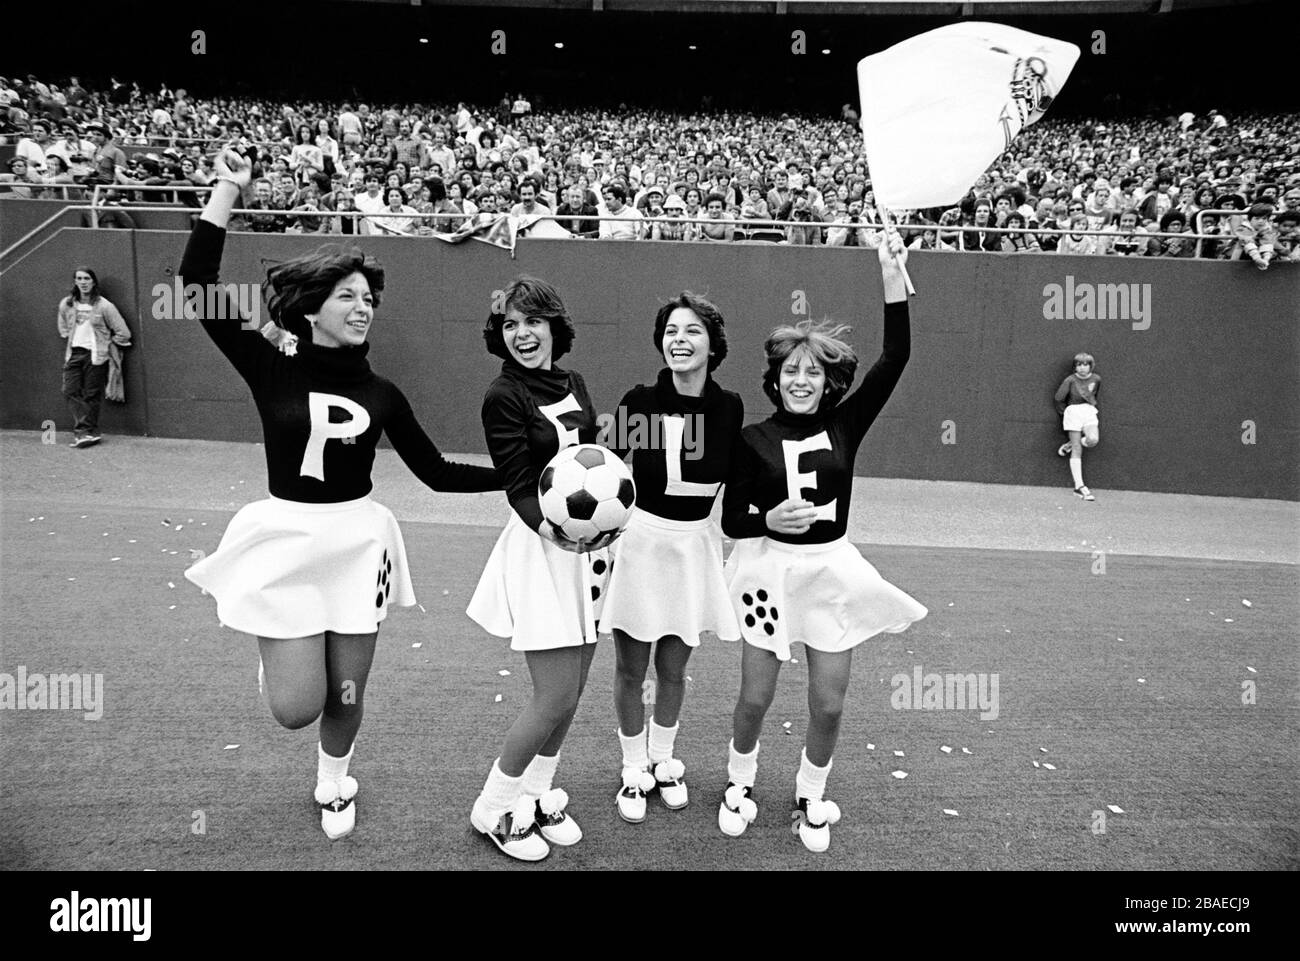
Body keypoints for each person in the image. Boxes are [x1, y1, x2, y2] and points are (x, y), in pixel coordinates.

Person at [180, 148, 500, 841]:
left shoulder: (382, 392)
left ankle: (333, 782)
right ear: (312, 308)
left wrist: (519, 477)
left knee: (348, 691)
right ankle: (280, 661)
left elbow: (439, 473)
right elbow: (196, 280)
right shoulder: (268, 364)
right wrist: (227, 189)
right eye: (348, 296)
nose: (363, 307)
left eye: (368, 298)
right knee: (298, 705)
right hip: (287, 539)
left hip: (358, 543)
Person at [717, 227, 927, 852]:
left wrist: (892, 276)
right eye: (790, 371)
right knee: (755, 697)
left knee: (829, 705)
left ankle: (811, 794)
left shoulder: (845, 424)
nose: (800, 380)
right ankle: (740, 780)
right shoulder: (753, 439)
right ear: (775, 379)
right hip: (768, 572)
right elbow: (731, 522)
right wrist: (767, 523)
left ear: (826, 382)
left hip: (831, 570)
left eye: (811, 372)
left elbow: (896, 359)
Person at [466, 276, 615, 862]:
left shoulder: (573, 382)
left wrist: (602, 520)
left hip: (587, 549)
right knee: (552, 695)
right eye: (510, 325)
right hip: (542, 548)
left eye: (532, 321)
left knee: (574, 689)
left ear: (554, 325)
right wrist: (558, 531)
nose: (522, 334)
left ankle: (535, 791)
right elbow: (518, 485)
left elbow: (588, 464)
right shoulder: (503, 395)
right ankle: (494, 806)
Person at [598, 293, 745, 824]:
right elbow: (603, 467)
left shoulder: (729, 407)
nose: (679, 340)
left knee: (674, 668)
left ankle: (663, 760)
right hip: (643, 543)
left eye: (692, 331)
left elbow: (735, 479)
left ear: (713, 344)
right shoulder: (639, 401)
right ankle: (633, 766)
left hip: (694, 546)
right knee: (632, 666)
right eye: (671, 331)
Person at [57, 267, 132, 448]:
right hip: (74, 353)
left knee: (92, 394)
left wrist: (106, 343)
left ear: (93, 282)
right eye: (79, 279)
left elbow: (124, 333)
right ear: (75, 282)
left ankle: (85, 433)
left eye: (87, 279)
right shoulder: (66, 304)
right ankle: (88, 431)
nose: (83, 282)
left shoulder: (104, 306)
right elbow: (63, 328)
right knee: (69, 390)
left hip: (96, 355)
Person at [1054, 352, 1101, 501]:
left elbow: (1094, 394)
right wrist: (1066, 413)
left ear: (1090, 366)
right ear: (1075, 366)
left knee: (1093, 440)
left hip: (1088, 411)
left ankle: (1069, 445)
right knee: (1077, 449)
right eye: (1079, 365)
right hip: (1073, 412)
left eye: (1085, 364)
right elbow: (1058, 398)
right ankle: (1079, 487)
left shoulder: (1097, 379)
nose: (1082, 368)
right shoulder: (1070, 380)